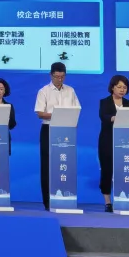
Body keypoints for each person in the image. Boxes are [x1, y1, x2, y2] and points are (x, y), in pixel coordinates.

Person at [34, 62, 80, 211]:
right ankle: (48, 201)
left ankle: (66, 198)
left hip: (66, 131)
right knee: (47, 165)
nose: (59, 80)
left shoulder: (70, 91)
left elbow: (77, 110)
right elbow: (40, 113)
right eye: (56, 77)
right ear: (51, 75)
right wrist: (58, 114)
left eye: (62, 77)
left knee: (65, 163)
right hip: (49, 129)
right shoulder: (44, 91)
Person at [98, 75, 129, 213]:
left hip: (125, 141)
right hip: (107, 140)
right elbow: (103, 116)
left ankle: (123, 198)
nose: (122, 90)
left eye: (125, 87)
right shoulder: (104, 102)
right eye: (119, 87)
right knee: (107, 170)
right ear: (112, 87)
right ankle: (107, 202)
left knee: (123, 169)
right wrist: (114, 117)